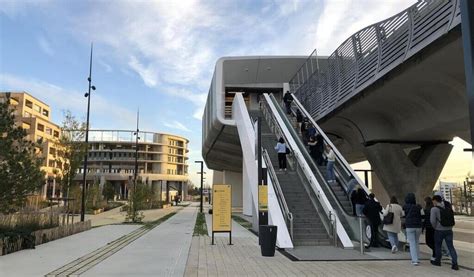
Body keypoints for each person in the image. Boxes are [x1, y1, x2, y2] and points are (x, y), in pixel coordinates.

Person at [430, 194, 458, 270]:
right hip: (449, 230)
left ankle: (438, 261)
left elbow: (432, 221)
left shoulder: (434, 209)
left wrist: (435, 227)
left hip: (439, 230)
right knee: (451, 247)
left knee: (438, 246)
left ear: (435, 201)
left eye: (433, 201)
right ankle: (455, 264)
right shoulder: (447, 207)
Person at [403, 193, 424, 266]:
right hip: (418, 226)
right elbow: (423, 215)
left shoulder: (405, 207)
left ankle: (414, 260)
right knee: (416, 242)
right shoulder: (419, 206)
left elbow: (403, 215)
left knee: (412, 243)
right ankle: (418, 258)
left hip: (409, 226)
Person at [423, 196, 435, 261]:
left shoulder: (426, 209)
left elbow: (424, 219)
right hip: (433, 227)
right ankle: (435, 253)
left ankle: (435, 252)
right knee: (433, 241)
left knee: (428, 241)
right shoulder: (433, 208)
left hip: (429, 227)